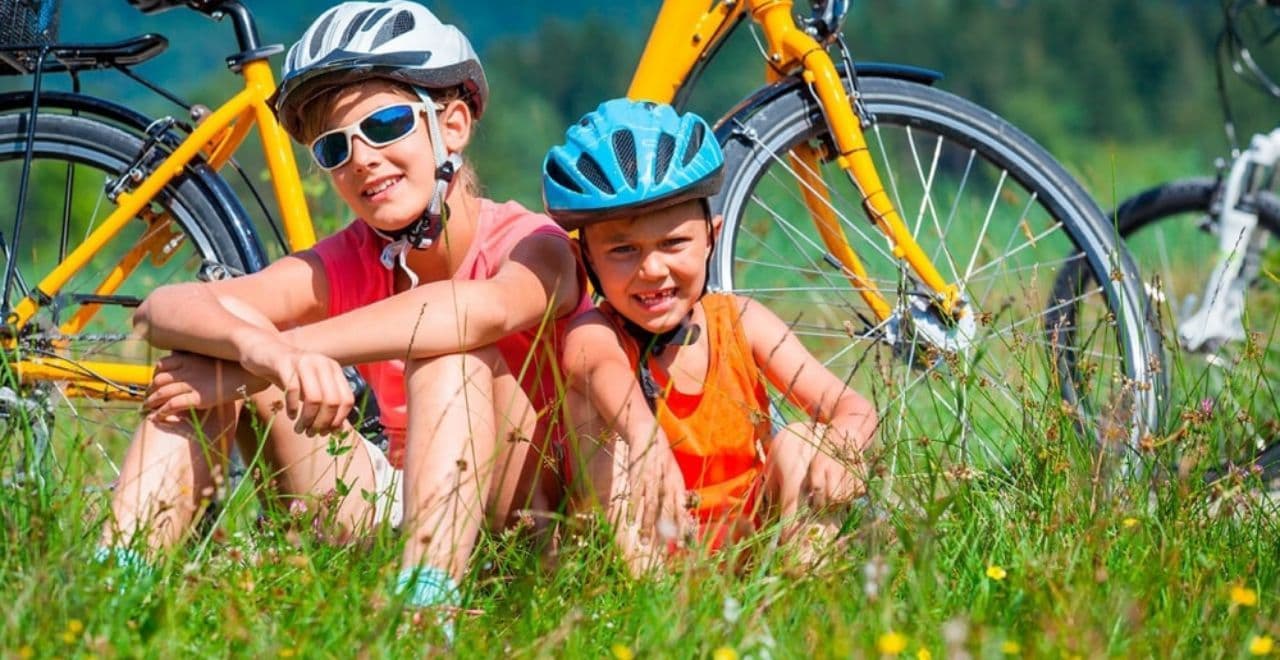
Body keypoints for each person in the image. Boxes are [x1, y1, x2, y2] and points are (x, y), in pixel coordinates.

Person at [97, 0, 589, 635]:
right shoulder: (355, 255)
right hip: (397, 506)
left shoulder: (533, 244)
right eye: (335, 147)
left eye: (385, 125)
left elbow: (467, 312)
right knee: (204, 358)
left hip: (525, 521)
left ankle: (423, 612)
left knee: (451, 355)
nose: (361, 158)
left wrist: (285, 355)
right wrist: (267, 356)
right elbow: (163, 309)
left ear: (454, 124)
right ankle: (113, 591)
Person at [543, 98, 878, 571]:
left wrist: (841, 447)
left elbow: (853, 406)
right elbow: (597, 366)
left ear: (711, 237)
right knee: (607, 434)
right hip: (641, 549)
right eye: (622, 250)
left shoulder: (741, 322)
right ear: (588, 262)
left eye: (674, 243)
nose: (652, 269)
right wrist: (643, 433)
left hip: (753, 549)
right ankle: (647, 607)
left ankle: (805, 585)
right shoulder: (593, 332)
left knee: (805, 440)